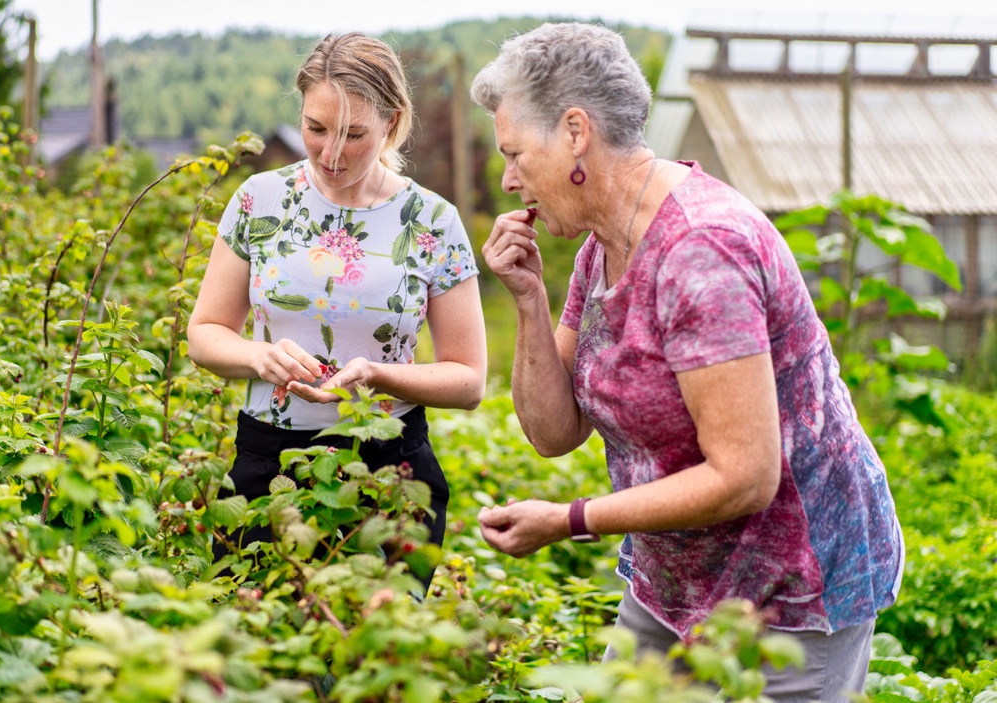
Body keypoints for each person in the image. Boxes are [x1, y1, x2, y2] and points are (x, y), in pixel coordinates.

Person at [472, 22, 903, 703]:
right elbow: (554, 432)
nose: (509, 177)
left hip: (788, 594)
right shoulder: (601, 244)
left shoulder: (702, 249)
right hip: (675, 576)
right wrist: (528, 299)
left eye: (517, 153)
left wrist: (571, 519)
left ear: (576, 132)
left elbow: (745, 475)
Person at [187, 32, 487, 589]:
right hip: (267, 467)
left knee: (374, 665)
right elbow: (205, 333)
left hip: (388, 470)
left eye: (353, 135)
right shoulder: (259, 200)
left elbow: (468, 380)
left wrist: (377, 376)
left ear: (392, 123)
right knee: (264, 660)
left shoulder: (432, 223)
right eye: (316, 129)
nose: (329, 154)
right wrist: (257, 356)